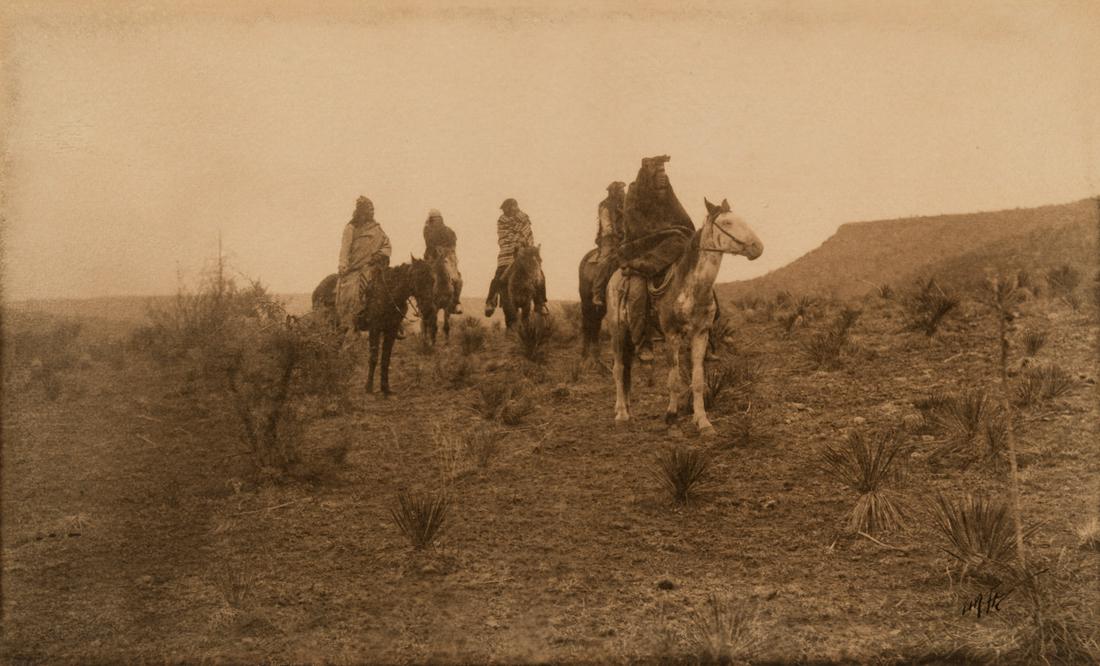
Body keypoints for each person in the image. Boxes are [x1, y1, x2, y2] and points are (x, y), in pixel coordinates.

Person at [336, 196, 393, 343]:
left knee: (390, 290)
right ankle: (348, 324)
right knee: (351, 295)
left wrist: (380, 255)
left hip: (374, 268)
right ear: (361, 211)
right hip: (356, 270)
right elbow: (345, 249)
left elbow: (387, 245)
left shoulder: (377, 228)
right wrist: (343, 266)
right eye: (369, 209)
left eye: (373, 209)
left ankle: (392, 323)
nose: (372, 212)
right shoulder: (351, 228)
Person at [484, 198, 548, 317]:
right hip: (507, 254)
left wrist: (524, 245)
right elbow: (503, 238)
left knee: (540, 275)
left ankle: (540, 303)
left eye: (507, 209)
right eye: (505, 209)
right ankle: (491, 301)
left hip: (526, 252)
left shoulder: (525, 219)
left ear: (513, 207)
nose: (505, 211)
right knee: (498, 276)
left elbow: (528, 235)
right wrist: (516, 243)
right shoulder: (502, 221)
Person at [590, 181, 627, 307]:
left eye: (624, 191)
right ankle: (597, 293)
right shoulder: (605, 206)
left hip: (625, 239)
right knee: (604, 262)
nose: (623, 193)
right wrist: (619, 236)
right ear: (614, 193)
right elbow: (607, 227)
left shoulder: (626, 206)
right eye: (621, 191)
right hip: (609, 240)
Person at [423, 209, 463, 314]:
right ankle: (423, 303)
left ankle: (455, 302)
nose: (436, 221)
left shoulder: (449, 231)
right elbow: (429, 244)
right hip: (431, 257)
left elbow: (453, 246)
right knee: (422, 277)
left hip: (447, 257)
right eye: (433, 219)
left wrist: (446, 251)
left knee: (456, 278)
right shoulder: (427, 230)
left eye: (437, 219)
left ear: (441, 219)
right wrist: (436, 250)